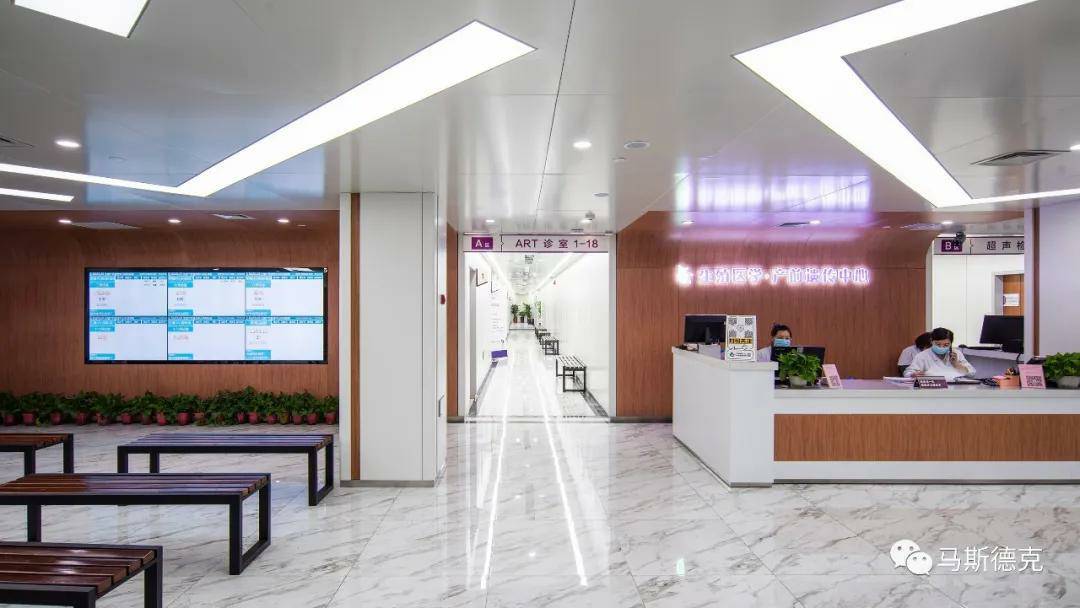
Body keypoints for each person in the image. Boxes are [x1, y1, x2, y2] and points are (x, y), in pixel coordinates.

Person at [903, 327, 976, 380]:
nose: (941, 347)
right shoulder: (923, 356)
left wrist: (956, 364)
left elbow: (972, 373)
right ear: (931, 341)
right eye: (938, 344)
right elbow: (908, 373)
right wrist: (913, 375)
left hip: (956, 388)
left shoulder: (956, 353)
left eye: (946, 345)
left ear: (951, 343)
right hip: (932, 389)